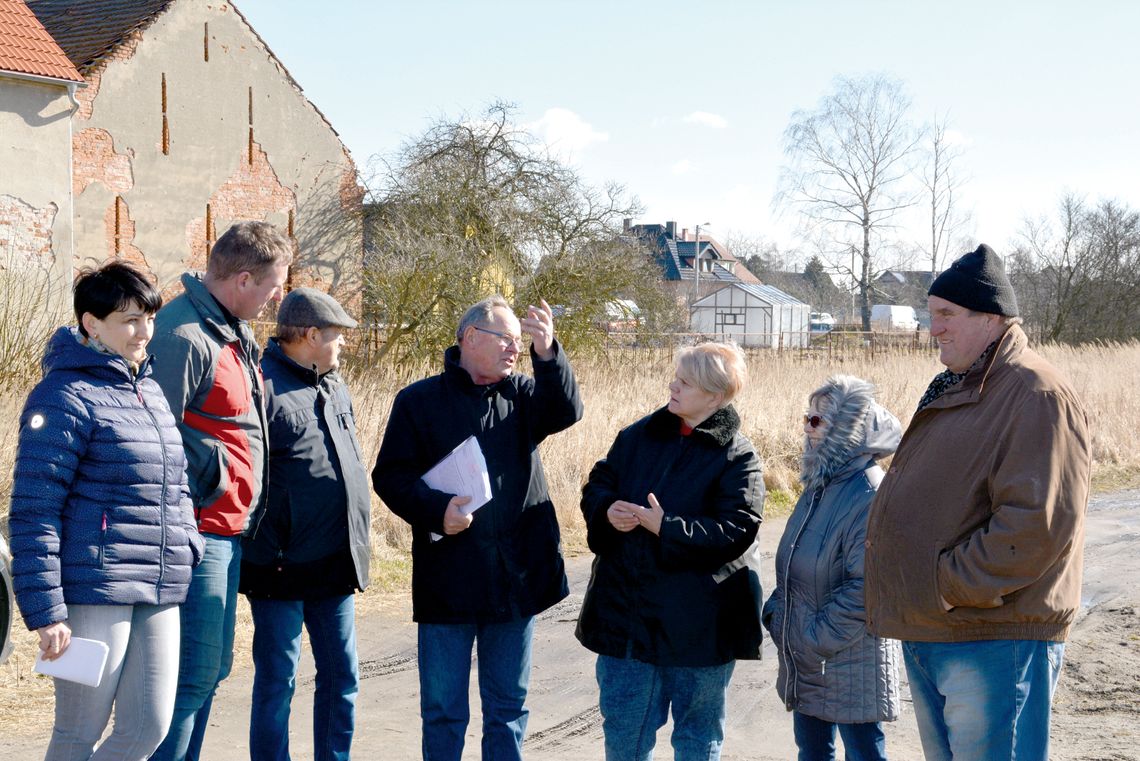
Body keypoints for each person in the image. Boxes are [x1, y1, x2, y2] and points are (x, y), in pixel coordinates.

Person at [864, 244, 1092, 761]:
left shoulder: (1035, 393)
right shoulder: (962, 385)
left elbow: (1036, 526)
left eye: (946, 315)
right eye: (930, 315)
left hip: (992, 635)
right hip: (942, 628)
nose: (933, 328)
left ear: (990, 317)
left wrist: (945, 586)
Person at [372, 295, 583, 761]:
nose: (515, 348)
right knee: (444, 711)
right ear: (469, 338)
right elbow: (389, 477)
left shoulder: (524, 395)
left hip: (517, 578)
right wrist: (436, 510)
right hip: (448, 578)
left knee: (507, 709)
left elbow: (566, 411)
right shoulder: (418, 402)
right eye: (506, 339)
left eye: (519, 340)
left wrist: (547, 352)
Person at [9, 262, 204, 760]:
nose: (144, 331)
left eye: (149, 317)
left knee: (147, 729)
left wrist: (188, 541)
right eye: (129, 320)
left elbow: (176, 482)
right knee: (78, 734)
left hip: (159, 585)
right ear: (91, 324)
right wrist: (46, 610)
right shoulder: (63, 395)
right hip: (92, 590)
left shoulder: (151, 391)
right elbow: (34, 510)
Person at [575, 341, 764, 761]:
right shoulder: (637, 436)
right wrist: (609, 510)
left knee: (697, 740)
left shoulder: (739, 456)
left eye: (685, 382)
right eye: (675, 377)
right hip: (627, 621)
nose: (672, 386)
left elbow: (738, 530)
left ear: (715, 396)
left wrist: (667, 527)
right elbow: (598, 483)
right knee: (625, 738)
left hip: (699, 629)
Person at [148, 221, 292, 761]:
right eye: (274, 285)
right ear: (245, 278)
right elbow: (153, 434)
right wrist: (217, 473)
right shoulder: (182, 334)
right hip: (195, 533)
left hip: (228, 531)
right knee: (190, 677)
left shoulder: (229, 330)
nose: (279, 296)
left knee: (210, 672)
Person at [239, 288, 371, 761]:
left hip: (334, 564)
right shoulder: (261, 386)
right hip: (280, 566)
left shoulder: (333, 384)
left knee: (343, 676)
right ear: (311, 335)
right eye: (336, 336)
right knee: (278, 679)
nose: (341, 345)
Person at [763, 375, 902, 761]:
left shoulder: (868, 493)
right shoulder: (820, 485)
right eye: (806, 417)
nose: (806, 426)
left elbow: (869, 587)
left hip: (847, 657)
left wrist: (814, 638)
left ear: (846, 428)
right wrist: (778, 613)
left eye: (817, 420)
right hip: (812, 658)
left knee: (863, 753)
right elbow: (793, 558)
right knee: (812, 752)